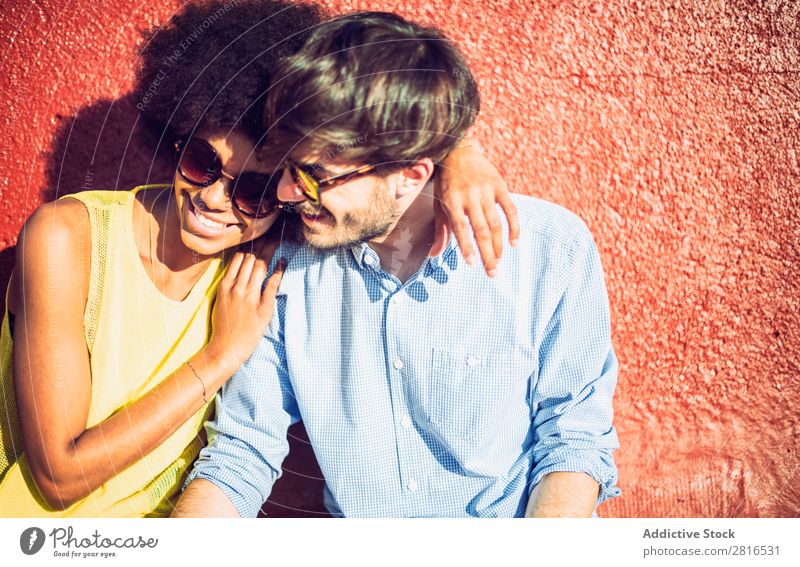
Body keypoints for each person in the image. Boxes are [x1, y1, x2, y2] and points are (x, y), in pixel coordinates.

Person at [0, 2, 516, 517]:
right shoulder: (68, 238)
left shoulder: (262, 252)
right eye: (202, 161)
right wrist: (221, 356)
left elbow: (365, 131)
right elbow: (59, 477)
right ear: (177, 133)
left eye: (255, 189)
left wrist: (455, 154)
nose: (214, 200)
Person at [174, 11, 621, 519]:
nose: (284, 193)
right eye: (285, 168)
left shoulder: (549, 250)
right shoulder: (282, 268)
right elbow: (241, 454)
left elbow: (573, 438)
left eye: (314, 176)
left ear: (410, 175)